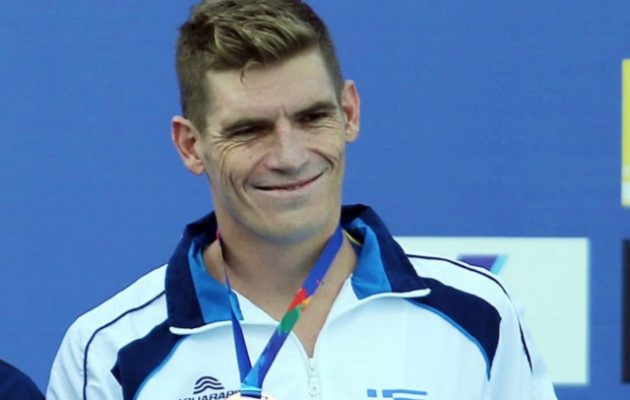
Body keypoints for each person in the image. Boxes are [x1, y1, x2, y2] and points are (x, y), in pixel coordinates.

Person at [47, 1, 558, 399]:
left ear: (349, 113)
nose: (289, 157)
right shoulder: (111, 352)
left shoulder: (478, 312)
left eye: (313, 118)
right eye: (249, 130)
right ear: (190, 145)